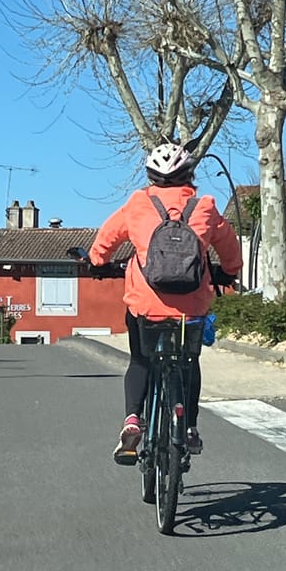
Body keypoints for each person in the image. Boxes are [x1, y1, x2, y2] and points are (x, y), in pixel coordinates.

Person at [89, 142, 243, 464]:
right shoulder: (205, 207)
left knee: (141, 361)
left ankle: (133, 419)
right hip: (192, 309)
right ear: (189, 176)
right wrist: (229, 273)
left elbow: (106, 239)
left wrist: (96, 261)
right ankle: (188, 426)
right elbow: (231, 250)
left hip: (146, 306)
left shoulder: (138, 204)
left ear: (151, 177)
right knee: (190, 362)